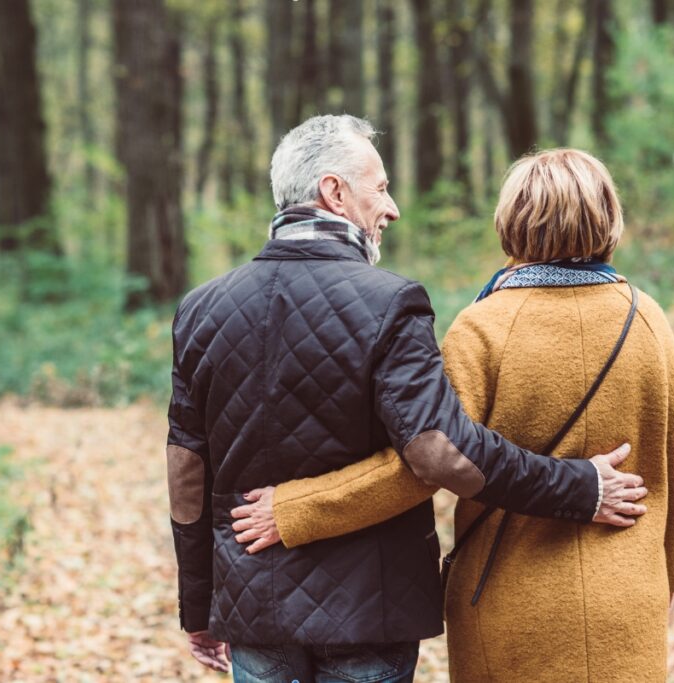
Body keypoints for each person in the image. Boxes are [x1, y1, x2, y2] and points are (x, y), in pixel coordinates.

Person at [167, 117, 648, 682]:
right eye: (381, 187)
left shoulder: (200, 309)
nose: (391, 208)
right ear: (334, 191)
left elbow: (186, 473)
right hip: (370, 612)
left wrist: (198, 605)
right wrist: (579, 487)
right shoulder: (390, 302)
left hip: (253, 608)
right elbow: (442, 454)